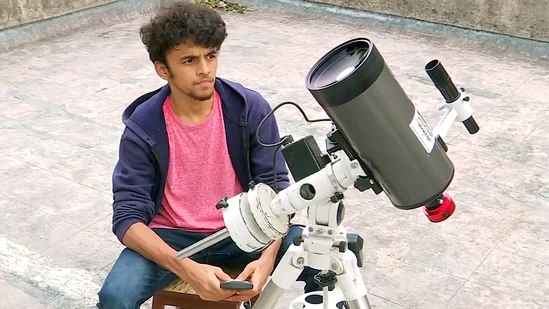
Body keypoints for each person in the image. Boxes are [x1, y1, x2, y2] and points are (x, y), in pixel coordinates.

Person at [97, 2, 318, 308]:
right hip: (173, 237)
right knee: (115, 297)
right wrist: (185, 268)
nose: (204, 69)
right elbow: (127, 218)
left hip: (246, 229)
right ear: (163, 69)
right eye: (189, 60)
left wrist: (267, 260)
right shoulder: (142, 127)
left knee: (320, 254)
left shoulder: (249, 108)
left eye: (211, 56)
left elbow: (277, 190)